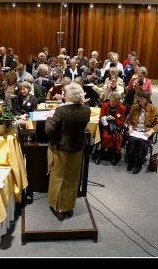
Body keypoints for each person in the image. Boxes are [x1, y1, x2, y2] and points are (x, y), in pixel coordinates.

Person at [45, 82, 91, 220]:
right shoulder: (86, 110)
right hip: (77, 149)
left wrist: (49, 118)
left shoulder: (61, 111)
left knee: (58, 178)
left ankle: (59, 208)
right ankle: (68, 207)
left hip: (61, 150)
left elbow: (49, 130)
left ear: (68, 96)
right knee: (72, 179)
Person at [125, 91, 158, 174]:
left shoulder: (153, 108)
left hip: (145, 132)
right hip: (135, 130)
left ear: (147, 99)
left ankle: (139, 163)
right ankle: (131, 160)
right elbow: (128, 119)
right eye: (139, 98)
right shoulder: (134, 107)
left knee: (141, 141)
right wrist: (130, 126)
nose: (139, 99)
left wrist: (152, 131)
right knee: (131, 140)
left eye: (141, 98)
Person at [97, 93, 127, 165]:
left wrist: (115, 119)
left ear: (118, 102)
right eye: (111, 100)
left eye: (114, 102)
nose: (112, 103)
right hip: (105, 126)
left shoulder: (122, 108)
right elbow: (100, 118)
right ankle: (101, 154)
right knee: (106, 136)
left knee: (114, 137)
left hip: (116, 127)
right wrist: (106, 118)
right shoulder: (105, 105)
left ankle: (114, 156)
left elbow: (122, 122)